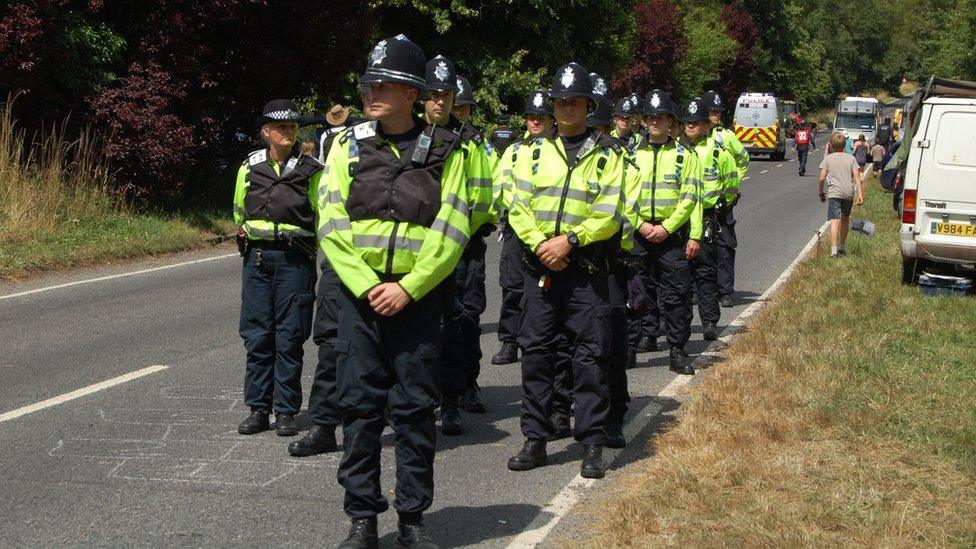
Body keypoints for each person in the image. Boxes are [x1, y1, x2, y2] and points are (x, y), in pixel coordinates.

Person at [318, 34, 469, 549]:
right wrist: (367, 286)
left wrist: (408, 288)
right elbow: (331, 223)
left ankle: (412, 519)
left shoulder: (450, 151)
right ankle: (362, 518)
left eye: (386, 85)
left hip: (416, 302)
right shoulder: (347, 145)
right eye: (369, 84)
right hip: (359, 303)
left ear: (414, 95)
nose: (372, 93)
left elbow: (453, 229)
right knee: (359, 409)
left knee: (414, 410)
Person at [506, 61, 623, 479]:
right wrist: (541, 243)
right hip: (540, 267)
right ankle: (535, 438)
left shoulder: (608, 156)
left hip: (585, 268)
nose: (567, 108)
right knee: (536, 352)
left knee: (590, 355)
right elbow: (517, 206)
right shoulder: (532, 152)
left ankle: (591, 442)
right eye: (560, 101)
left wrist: (570, 240)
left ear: (588, 105)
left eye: (574, 101)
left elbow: (610, 212)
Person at [234, 99, 322, 438]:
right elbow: (238, 209)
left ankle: (286, 411)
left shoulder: (311, 169)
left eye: (292, 127)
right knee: (257, 336)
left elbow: (323, 213)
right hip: (257, 259)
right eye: (281, 127)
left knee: (290, 337)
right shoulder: (250, 167)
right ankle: (258, 409)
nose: (288, 132)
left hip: (295, 260)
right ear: (266, 132)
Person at [626, 89, 703, 376]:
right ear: (644, 121)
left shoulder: (686, 155)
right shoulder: (631, 153)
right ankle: (629, 349)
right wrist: (641, 225)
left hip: (670, 235)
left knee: (677, 296)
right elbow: (622, 195)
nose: (655, 122)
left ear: (671, 121)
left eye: (661, 117)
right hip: (638, 231)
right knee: (632, 293)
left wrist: (668, 227)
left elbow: (690, 197)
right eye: (651, 117)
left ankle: (677, 352)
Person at [445, 73, 496, 420]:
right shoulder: (424, 138)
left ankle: (467, 385)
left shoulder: (479, 144)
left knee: (467, 317)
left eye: (464, 108)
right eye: (456, 106)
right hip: (430, 246)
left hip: (467, 243)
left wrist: (463, 231)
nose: (460, 113)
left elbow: (485, 196)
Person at [491, 90, 554, 366]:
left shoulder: (560, 150)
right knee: (513, 287)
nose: (535, 122)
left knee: (546, 290)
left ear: (550, 119)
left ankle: (541, 342)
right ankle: (509, 341)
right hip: (518, 228)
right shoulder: (514, 151)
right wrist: (520, 215)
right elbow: (502, 186)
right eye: (531, 116)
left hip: (549, 231)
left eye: (541, 117)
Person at [685, 96, 736, 341]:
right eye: (689, 122)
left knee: (706, 274)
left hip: (707, 217)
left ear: (707, 125)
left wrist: (723, 205)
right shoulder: (678, 150)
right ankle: (675, 324)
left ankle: (709, 323)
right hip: (680, 220)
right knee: (679, 277)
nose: (692, 126)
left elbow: (731, 182)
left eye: (697, 122)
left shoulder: (718, 152)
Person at [701, 90, 746, 308]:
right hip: (698, 204)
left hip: (722, 203)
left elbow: (743, 159)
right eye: (712, 111)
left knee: (725, 247)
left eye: (718, 112)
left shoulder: (726, 136)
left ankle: (725, 290)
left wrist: (732, 186)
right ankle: (698, 289)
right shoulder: (694, 137)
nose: (716, 115)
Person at [818, 132, 864, 257]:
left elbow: (821, 178)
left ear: (831, 146)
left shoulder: (828, 159)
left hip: (834, 193)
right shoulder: (851, 158)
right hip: (848, 192)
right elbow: (856, 176)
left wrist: (821, 193)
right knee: (845, 219)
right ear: (845, 145)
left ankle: (833, 251)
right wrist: (860, 194)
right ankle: (842, 247)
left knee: (834, 221)